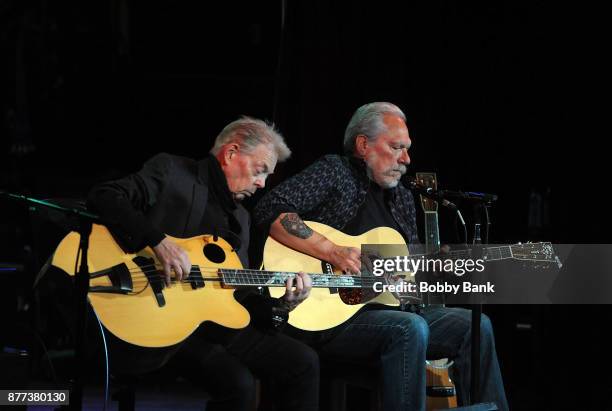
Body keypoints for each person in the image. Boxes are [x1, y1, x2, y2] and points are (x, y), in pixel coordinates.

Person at [253, 102, 509, 411]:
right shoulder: (335, 171)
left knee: (476, 325)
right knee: (410, 328)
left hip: (385, 310)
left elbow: (410, 283)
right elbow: (271, 208)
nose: (406, 159)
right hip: (325, 314)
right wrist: (333, 251)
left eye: (408, 149)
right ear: (363, 145)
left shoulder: (401, 197)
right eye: (397, 147)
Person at [87, 116, 319, 411]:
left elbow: (241, 297)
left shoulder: (242, 219)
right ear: (231, 153)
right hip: (160, 318)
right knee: (239, 384)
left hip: (213, 324)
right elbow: (105, 195)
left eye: (266, 177)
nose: (261, 184)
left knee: (304, 362)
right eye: (260, 171)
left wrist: (284, 305)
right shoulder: (174, 172)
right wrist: (158, 242)